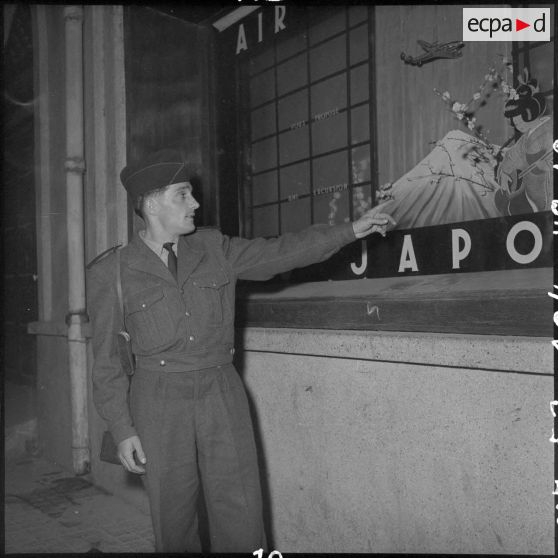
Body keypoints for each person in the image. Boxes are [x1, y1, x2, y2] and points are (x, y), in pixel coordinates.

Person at [87, 149, 396, 553]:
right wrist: (123, 428)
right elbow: (107, 360)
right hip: (157, 399)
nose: (195, 203)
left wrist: (350, 231)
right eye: (183, 195)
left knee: (241, 509)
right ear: (150, 203)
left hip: (221, 391)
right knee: (173, 517)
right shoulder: (111, 272)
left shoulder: (215, 248)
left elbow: (281, 251)